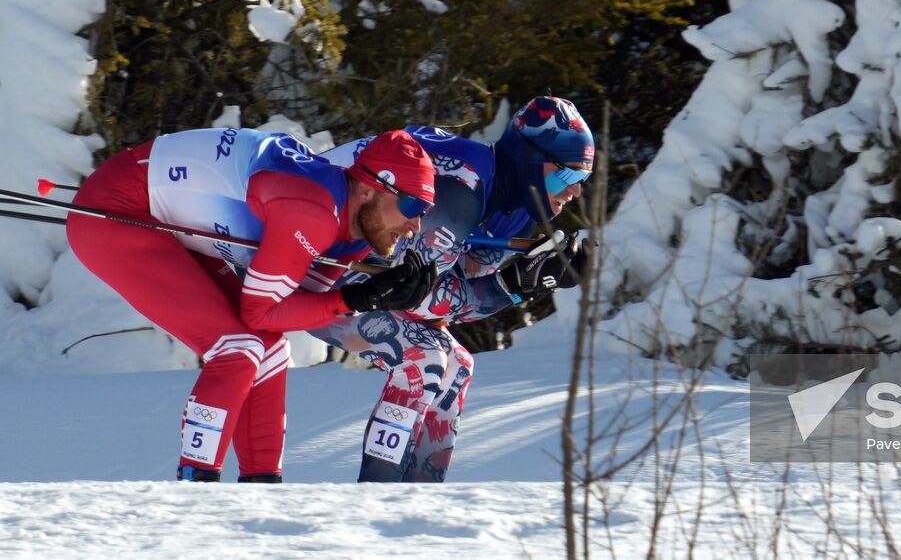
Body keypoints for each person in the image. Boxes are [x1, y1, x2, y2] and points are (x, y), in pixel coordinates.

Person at [66, 127, 440, 482]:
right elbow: (260, 311)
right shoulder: (313, 211)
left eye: (425, 209)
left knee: (270, 348)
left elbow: (288, 310)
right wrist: (359, 298)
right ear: (368, 188)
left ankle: (262, 489)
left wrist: (371, 297)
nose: (415, 225)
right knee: (237, 347)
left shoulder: (355, 234)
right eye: (412, 203)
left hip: (162, 218)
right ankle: (196, 488)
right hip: (115, 209)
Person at [312, 96, 593, 481]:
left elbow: (454, 302)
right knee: (422, 358)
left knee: (458, 365)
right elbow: (414, 299)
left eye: (583, 181)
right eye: (569, 177)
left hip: (361, 276)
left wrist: (523, 284)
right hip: (311, 262)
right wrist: (512, 285)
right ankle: (376, 496)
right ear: (530, 160)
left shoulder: (516, 214)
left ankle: (419, 497)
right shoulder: (462, 188)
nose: (576, 192)